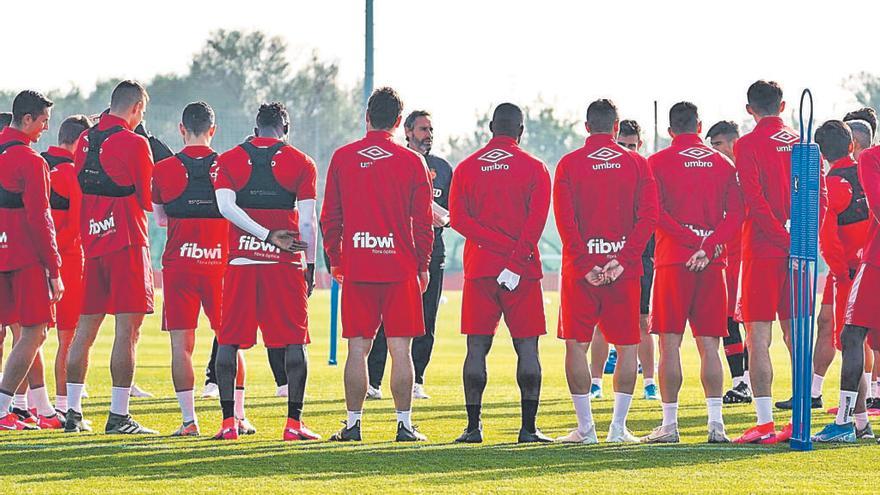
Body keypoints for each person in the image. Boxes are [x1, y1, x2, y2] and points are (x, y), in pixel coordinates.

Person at [211, 102, 319, 441]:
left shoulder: (227, 160)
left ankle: (229, 423)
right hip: (284, 265)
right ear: (285, 129)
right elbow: (306, 222)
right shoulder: (301, 162)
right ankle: (293, 424)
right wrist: (311, 264)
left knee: (228, 340)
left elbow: (226, 207)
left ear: (256, 129)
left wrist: (259, 235)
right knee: (294, 341)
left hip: (241, 262)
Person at [554, 99, 658, 444]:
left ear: (586, 127)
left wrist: (585, 264)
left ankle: (586, 429)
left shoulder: (568, 164)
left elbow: (565, 221)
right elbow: (648, 218)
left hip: (580, 273)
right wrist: (624, 259)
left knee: (575, 345)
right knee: (628, 346)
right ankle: (617, 428)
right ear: (616, 128)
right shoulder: (638, 164)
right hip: (622, 272)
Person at [448, 103, 551, 444]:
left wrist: (496, 246)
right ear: (521, 130)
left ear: (491, 127)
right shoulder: (535, 168)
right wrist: (515, 255)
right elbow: (536, 223)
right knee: (528, 349)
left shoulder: (466, 168)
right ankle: (528, 429)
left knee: (476, 348)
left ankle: (473, 428)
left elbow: (459, 221)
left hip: (480, 270)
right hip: (523, 271)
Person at [641, 102, 744, 443]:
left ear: (671, 130)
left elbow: (655, 212)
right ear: (699, 126)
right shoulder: (722, 163)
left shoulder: (655, 163)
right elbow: (736, 214)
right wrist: (709, 242)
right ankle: (716, 424)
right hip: (713, 262)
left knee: (669, 345)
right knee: (710, 346)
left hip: (673, 261)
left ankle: (670, 426)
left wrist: (690, 239)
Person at [152, 102, 251, 436]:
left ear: (181, 129)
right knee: (230, 340)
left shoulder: (162, 169)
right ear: (214, 129)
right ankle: (237, 417)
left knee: (182, 347)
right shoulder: (229, 165)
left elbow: (162, 220)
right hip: (220, 263)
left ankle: (188, 421)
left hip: (180, 263)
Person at [65, 80, 156, 434]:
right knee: (127, 331)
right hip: (128, 243)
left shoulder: (85, 139)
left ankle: (72, 412)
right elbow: (148, 199)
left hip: (94, 244)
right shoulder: (135, 142)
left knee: (84, 331)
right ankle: (119, 416)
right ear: (135, 109)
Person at [367, 110, 452, 401]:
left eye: (430, 129)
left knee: (427, 320)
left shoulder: (442, 167)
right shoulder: (394, 161)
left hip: (431, 252)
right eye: (422, 129)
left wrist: (436, 214)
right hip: (395, 250)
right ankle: (373, 381)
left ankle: (417, 381)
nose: (428, 134)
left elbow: (449, 217)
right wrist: (430, 212)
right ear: (407, 131)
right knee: (384, 319)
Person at [733, 80, 796, 444]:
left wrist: (778, 237)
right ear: (783, 105)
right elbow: (817, 197)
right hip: (797, 252)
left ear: (749, 109)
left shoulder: (747, 144)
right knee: (795, 337)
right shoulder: (803, 143)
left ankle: (765, 422)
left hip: (762, 249)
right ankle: (800, 414)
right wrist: (800, 240)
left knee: (759, 336)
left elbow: (754, 199)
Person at [0, 90, 64, 430]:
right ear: (27, 119)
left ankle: (43, 410)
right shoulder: (32, 161)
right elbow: (41, 220)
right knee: (35, 332)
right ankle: (3, 408)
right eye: (42, 122)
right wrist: (55, 270)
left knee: (23, 333)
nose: (44, 129)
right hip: (25, 258)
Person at [813, 121, 880, 443]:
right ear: (852, 145)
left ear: (821, 154)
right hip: (863, 264)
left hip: (856, 272)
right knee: (861, 343)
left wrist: (841, 274)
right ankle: (861, 422)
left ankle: (846, 422)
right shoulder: (866, 168)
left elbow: (827, 239)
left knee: (850, 341)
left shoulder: (833, 183)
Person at [589, 119, 658, 401]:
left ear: (639, 145)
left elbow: (651, 217)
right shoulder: (603, 172)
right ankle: (595, 383)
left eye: (632, 146)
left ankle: (650, 382)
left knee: (643, 322)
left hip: (639, 258)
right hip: (604, 254)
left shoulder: (645, 171)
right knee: (601, 322)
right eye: (622, 145)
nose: (627, 150)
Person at [40, 115, 92, 422]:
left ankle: (27, 403)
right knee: (68, 340)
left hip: (32, 259)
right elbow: (76, 227)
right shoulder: (73, 173)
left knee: (30, 336)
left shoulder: (40, 164)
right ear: (79, 142)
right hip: (68, 262)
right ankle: (63, 406)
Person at [706, 120, 752, 404]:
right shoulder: (720, 173)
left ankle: (747, 381)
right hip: (726, 256)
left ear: (734, 142)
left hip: (748, 255)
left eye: (719, 145)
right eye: (712, 147)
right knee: (727, 320)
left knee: (749, 320)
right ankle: (739, 382)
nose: (716, 152)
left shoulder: (747, 171)